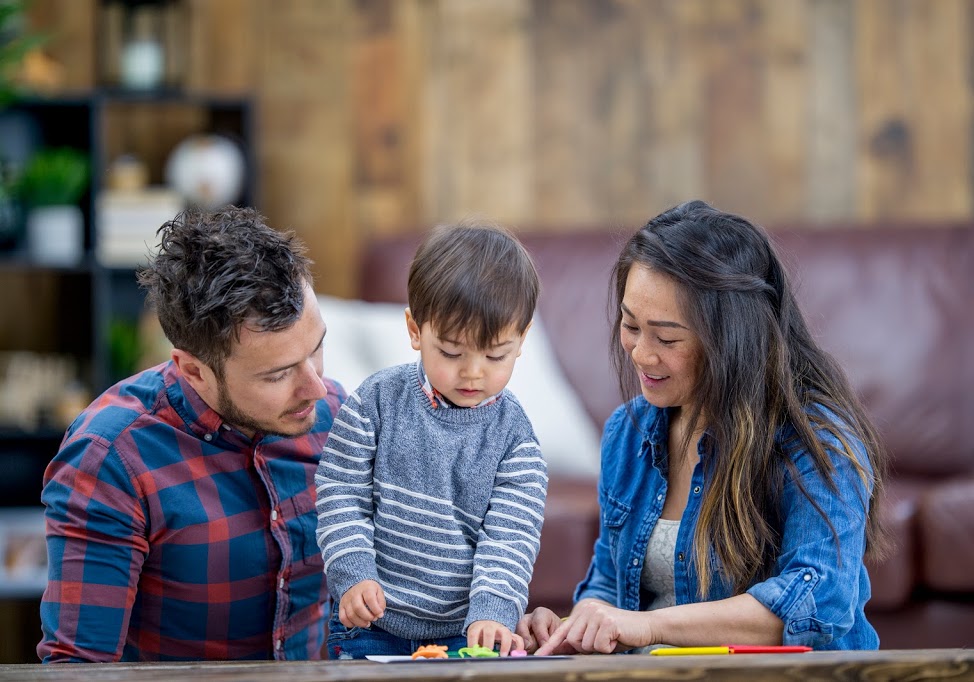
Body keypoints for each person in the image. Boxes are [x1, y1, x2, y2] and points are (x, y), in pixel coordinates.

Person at [516, 200, 888, 654]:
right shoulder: (627, 432)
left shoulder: (816, 441)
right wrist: (569, 627)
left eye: (667, 338)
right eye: (631, 325)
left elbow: (815, 606)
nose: (640, 353)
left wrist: (649, 627)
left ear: (733, 340)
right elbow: (611, 591)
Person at [37, 206, 345, 663]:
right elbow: (79, 669)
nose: (317, 388)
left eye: (316, 349)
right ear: (194, 371)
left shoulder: (335, 415)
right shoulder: (110, 458)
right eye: (278, 375)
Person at [315, 220, 548, 658]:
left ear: (522, 341)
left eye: (496, 354)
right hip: (371, 623)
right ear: (415, 330)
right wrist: (353, 575)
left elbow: (510, 537)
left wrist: (494, 612)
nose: (473, 372)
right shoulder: (377, 401)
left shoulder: (516, 441)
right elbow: (339, 491)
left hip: (464, 631)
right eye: (452, 352)